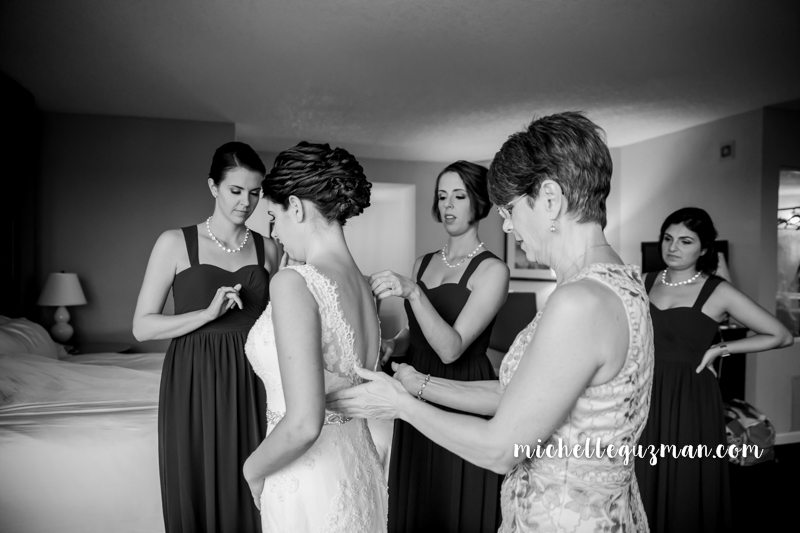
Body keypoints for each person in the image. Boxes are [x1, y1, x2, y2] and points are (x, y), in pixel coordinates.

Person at [329, 111, 655, 532]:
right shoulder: (623, 283)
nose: (505, 223)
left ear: (550, 199)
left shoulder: (580, 302)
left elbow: (501, 448)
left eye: (511, 208)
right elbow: (517, 395)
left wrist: (400, 406)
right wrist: (417, 384)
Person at [132, 141, 279, 533]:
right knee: (197, 475)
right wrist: (206, 314)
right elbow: (142, 327)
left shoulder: (269, 249)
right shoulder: (174, 242)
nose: (246, 202)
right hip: (194, 376)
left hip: (253, 378)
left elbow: (278, 321)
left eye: (254, 193)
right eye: (235, 190)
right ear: (213, 186)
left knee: (251, 482)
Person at [242, 141, 388, 531]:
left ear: (296, 207)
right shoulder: (363, 286)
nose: (274, 233)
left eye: (273, 217)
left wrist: (252, 469)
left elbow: (305, 424)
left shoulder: (295, 282)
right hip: (357, 468)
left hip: (307, 476)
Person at [370, 160, 509, 532]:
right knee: (418, 496)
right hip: (414, 386)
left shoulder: (493, 271)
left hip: (462, 389)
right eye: (442, 196)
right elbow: (416, 331)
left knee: (456, 502)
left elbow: (451, 348)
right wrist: (394, 343)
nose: (448, 205)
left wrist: (414, 293)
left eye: (459, 196)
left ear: (479, 202)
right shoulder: (422, 263)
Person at [635, 206, 793, 533]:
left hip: (690, 398)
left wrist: (721, 349)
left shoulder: (718, 291)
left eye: (686, 241)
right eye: (668, 238)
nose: (673, 247)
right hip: (644, 393)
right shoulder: (643, 281)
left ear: (704, 248)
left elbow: (781, 335)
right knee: (640, 477)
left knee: (684, 480)